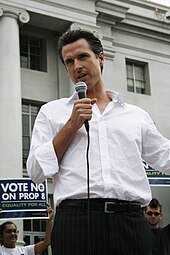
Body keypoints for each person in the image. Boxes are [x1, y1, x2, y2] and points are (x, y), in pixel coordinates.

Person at [26, 28, 170, 255]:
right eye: (69, 61)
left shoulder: (135, 115)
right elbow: (35, 170)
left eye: (83, 57)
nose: (77, 66)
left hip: (130, 222)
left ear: (100, 58)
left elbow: (165, 156)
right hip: (76, 222)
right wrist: (71, 125)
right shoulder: (52, 112)